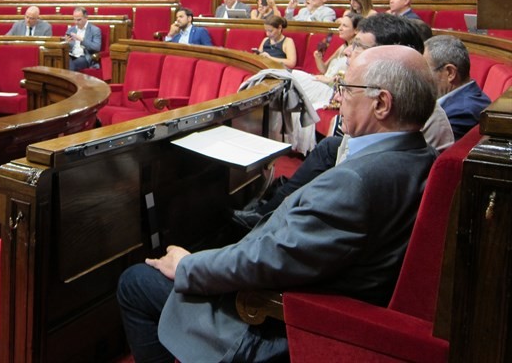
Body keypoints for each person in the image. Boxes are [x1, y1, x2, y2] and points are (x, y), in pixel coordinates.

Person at [118, 44, 438, 363]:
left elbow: (271, 260)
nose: (337, 97)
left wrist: (188, 266)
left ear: (381, 103)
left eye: (346, 88)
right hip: (325, 283)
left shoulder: (357, 180)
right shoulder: (423, 157)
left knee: (135, 282)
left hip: (280, 323)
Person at [236, 14, 454, 230]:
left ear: (389, 57)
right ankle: (268, 211)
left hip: (367, 214)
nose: (348, 50)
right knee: (330, 147)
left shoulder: (419, 115)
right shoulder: (373, 100)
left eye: (358, 46)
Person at [424, 35, 491, 140]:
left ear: (450, 73)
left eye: (424, 71)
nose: (420, 78)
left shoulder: (461, 113)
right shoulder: (467, 99)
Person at [66, 6, 101, 71]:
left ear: (86, 18)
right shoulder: (71, 30)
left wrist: (82, 40)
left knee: (72, 62)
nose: (76, 22)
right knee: (59, 59)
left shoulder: (95, 30)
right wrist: (66, 43)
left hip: (85, 57)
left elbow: (96, 47)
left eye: (79, 19)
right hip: (71, 55)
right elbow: (66, 46)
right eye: (74, 19)